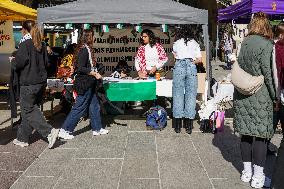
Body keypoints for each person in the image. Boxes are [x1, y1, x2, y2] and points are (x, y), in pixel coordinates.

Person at [234, 12, 276, 188]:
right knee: (260, 137)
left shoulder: (245, 43)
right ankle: (258, 177)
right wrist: (275, 96)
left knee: (245, 134)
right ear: (266, 26)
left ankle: (246, 172)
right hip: (261, 95)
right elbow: (270, 73)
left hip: (243, 93)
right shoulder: (267, 45)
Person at [12, 20, 59, 148]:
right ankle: (22, 138)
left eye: (21, 29)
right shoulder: (42, 44)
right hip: (40, 82)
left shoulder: (25, 44)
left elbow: (18, 64)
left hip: (29, 83)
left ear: (24, 30)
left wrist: (13, 61)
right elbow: (47, 63)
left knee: (28, 109)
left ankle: (49, 132)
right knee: (30, 110)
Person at [58, 29, 109, 140]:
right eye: (93, 36)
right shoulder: (84, 50)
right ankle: (65, 130)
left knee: (94, 105)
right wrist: (94, 73)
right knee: (79, 107)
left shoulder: (87, 49)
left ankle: (97, 128)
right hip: (84, 83)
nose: (94, 39)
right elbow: (80, 68)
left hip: (90, 83)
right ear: (89, 37)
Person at [172, 25, 202, 134]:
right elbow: (199, 59)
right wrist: (191, 62)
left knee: (178, 93)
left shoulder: (177, 42)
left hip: (179, 65)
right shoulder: (194, 42)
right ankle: (189, 125)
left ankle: (177, 125)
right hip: (190, 66)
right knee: (191, 94)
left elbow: (175, 56)